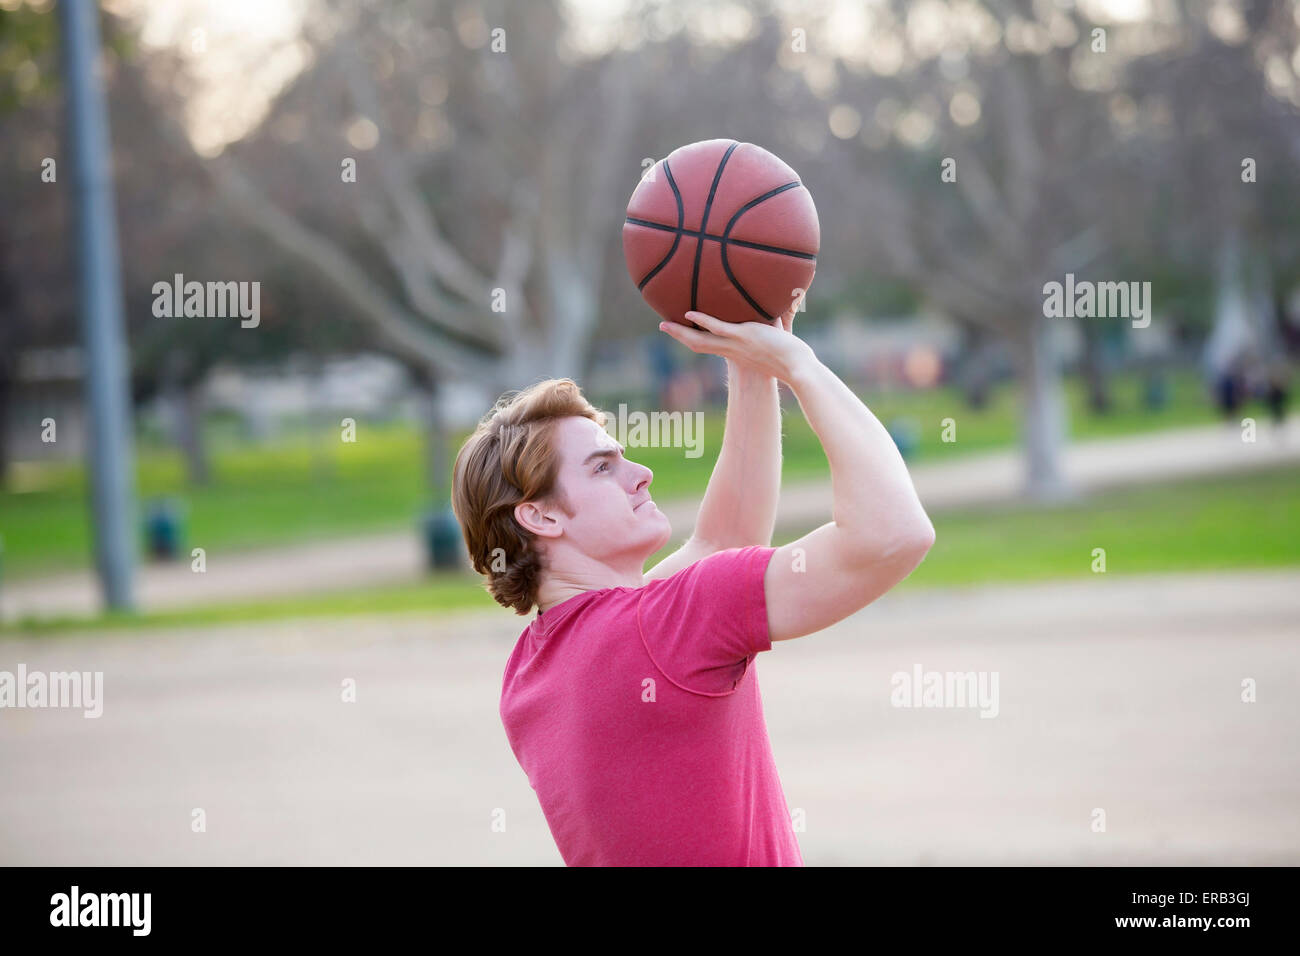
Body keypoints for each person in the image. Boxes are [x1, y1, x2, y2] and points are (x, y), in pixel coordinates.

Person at [451, 307, 935, 866]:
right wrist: (800, 366)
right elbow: (893, 535)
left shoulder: (532, 670)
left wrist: (752, 362)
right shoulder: (662, 627)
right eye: (603, 468)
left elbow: (722, 543)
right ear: (542, 518)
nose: (641, 473)